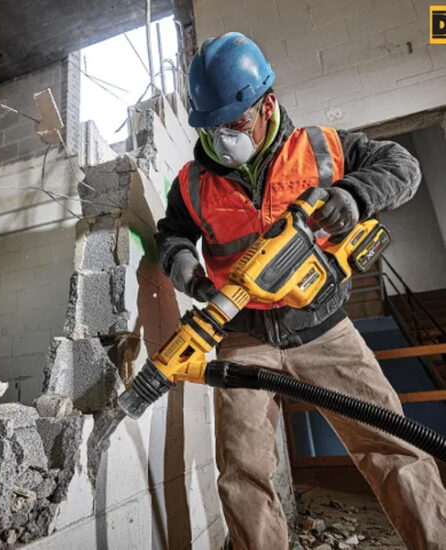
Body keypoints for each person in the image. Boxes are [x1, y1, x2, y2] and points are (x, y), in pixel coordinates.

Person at [155, 32, 446, 550]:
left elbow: (403, 167)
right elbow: (172, 234)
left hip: (325, 330)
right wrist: (184, 267)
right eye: (211, 127)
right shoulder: (192, 182)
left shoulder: (322, 147)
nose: (223, 138)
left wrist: (353, 195)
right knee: (243, 473)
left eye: (235, 123)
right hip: (242, 337)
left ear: (266, 104)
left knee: (392, 447)